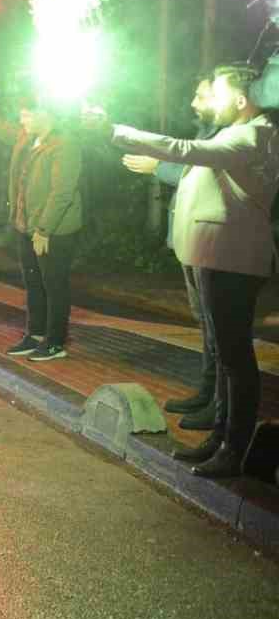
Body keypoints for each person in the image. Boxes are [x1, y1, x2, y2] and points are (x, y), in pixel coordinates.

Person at [111, 66, 279, 477]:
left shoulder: (253, 134)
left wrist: (116, 130)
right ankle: (219, 438)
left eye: (218, 94)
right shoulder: (235, 133)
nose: (211, 102)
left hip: (232, 259)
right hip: (218, 257)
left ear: (241, 100)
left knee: (235, 357)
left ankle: (233, 449)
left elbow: (183, 150)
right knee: (225, 354)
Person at [0, 85, 84, 362]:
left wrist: (44, 230)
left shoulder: (65, 145)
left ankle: (55, 341)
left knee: (54, 285)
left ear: (45, 115)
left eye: (26, 115)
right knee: (33, 284)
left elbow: (62, 193)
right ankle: (34, 334)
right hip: (26, 226)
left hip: (53, 230)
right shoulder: (26, 137)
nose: (22, 121)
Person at [121, 78, 219, 429]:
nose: (193, 102)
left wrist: (157, 167)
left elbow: (202, 172)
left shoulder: (231, 136)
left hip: (212, 245)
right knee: (205, 322)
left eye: (201, 95)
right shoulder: (209, 132)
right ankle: (208, 393)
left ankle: (219, 406)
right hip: (194, 243)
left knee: (216, 325)